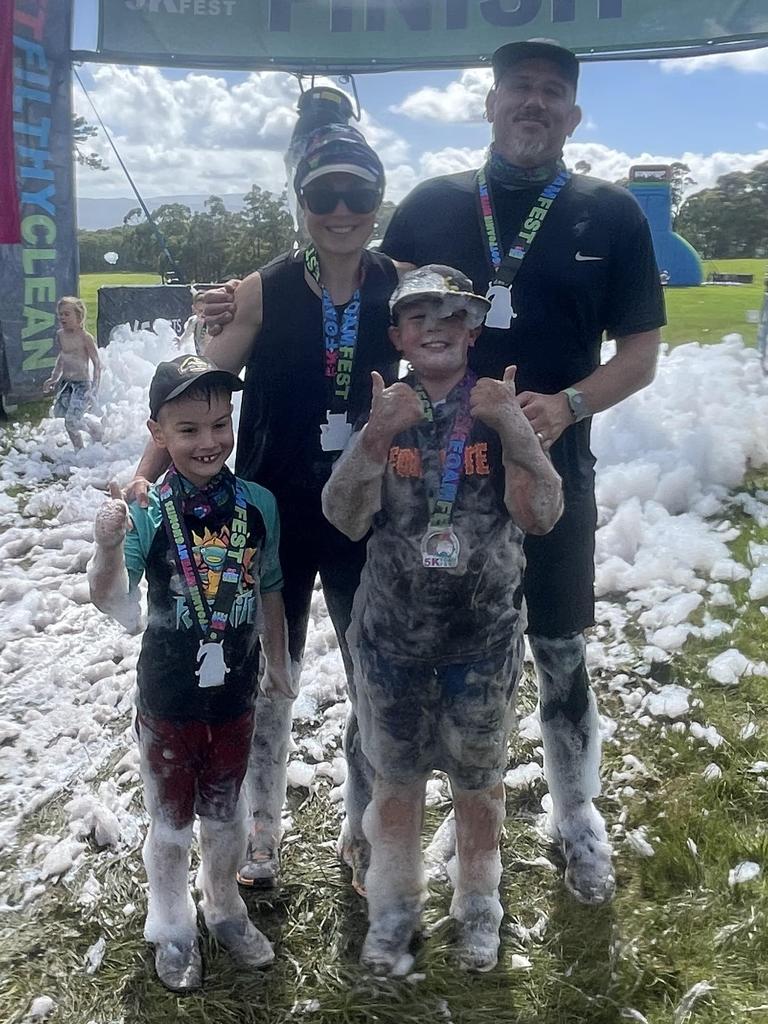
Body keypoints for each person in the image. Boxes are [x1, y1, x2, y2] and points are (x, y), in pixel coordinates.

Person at [380, 39, 666, 904]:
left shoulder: (609, 213)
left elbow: (642, 355)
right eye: (519, 91)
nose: (533, 105)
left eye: (551, 94)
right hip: (435, 482)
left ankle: (577, 814)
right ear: (491, 104)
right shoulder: (429, 206)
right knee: (435, 647)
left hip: (548, 469)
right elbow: (367, 312)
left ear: (572, 115)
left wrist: (567, 407)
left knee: (557, 644)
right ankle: (447, 809)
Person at [127, 123, 399, 891]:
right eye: (324, 194)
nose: (341, 209)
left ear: (378, 201)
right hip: (267, 523)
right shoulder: (260, 289)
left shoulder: (397, 283)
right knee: (268, 680)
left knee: (370, 678)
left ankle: (364, 830)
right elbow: (192, 390)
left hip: (360, 516)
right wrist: (145, 476)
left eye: (359, 192)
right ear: (301, 202)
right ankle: (259, 835)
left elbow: (449, 343)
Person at [322, 265, 563, 974]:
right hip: (391, 643)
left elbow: (543, 516)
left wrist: (515, 428)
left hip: (482, 645)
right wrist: (374, 437)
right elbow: (343, 518)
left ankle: (479, 906)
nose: (435, 326)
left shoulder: (495, 409)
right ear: (397, 333)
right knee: (393, 784)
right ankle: (393, 913)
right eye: (418, 315)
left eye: (452, 315)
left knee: (477, 787)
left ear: (474, 329)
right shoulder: (388, 409)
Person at [88, 354, 295, 992]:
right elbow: (115, 605)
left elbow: (270, 588)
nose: (208, 442)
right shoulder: (149, 511)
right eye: (187, 429)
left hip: (234, 692)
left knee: (226, 815)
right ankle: (172, 924)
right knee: (172, 823)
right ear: (158, 433)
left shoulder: (257, 503)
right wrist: (104, 546)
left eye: (219, 424)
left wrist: (281, 661)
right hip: (169, 696)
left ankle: (225, 905)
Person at [42, 296, 103, 449]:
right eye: (60, 314)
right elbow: (62, 357)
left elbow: (97, 364)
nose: (62, 317)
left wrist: (94, 388)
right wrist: (54, 378)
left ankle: (80, 449)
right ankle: (90, 427)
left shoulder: (85, 338)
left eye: (67, 314)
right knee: (63, 415)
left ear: (79, 316)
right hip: (66, 383)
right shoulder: (61, 335)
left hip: (82, 384)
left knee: (71, 421)